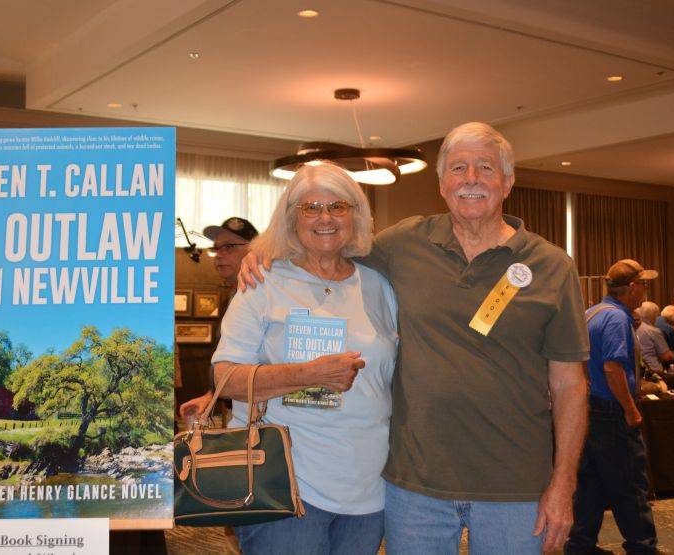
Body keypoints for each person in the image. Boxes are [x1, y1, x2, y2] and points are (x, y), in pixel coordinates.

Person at [241, 122, 589, 553]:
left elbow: (570, 385)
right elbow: (327, 238)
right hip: (414, 487)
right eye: (459, 168)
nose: (472, 179)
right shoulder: (403, 244)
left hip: (514, 485)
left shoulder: (552, 266)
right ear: (442, 183)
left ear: (508, 181)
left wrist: (564, 485)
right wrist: (262, 250)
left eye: (486, 167)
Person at [213, 164, 398, 554]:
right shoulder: (263, 282)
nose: (325, 217)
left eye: (338, 206)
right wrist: (308, 374)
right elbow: (225, 379)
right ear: (291, 217)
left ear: (356, 215)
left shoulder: (380, 285)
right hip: (286, 482)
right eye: (311, 207)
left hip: (368, 486)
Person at [565, 259, 660, 554]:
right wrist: (630, 409)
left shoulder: (591, 313)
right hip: (611, 410)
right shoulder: (616, 319)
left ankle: (580, 544)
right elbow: (612, 369)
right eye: (644, 284)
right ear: (631, 287)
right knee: (630, 482)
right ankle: (642, 545)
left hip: (590, 408)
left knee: (591, 481)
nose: (646, 289)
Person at [177, 217, 258, 420]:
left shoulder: (264, 296)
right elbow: (229, 358)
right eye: (217, 248)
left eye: (229, 247)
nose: (219, 255)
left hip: (262, 414)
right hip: (237, 408)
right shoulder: (235, 295)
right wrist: (212, 394)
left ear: (254, 249)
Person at [636, 301, 674, 376]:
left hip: (639, 370)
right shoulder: (653, 331)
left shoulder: (633, 327)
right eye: (657, 315)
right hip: (653, 371)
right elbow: (666, 356)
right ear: (653, 315)